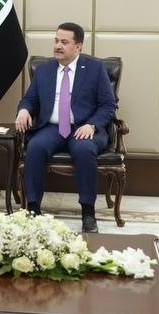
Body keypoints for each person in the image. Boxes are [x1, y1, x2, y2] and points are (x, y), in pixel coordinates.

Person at [15, 22, 116, 233]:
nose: (57, 46)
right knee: (35, 147)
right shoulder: (44, 70)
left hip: (83, 127)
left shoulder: (95, 69)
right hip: (51, 127)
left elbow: (108, 105)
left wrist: (92, 125)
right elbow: (30, 99)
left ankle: (88, 213)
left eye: (64, 42)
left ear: (78, 46)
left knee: (84, 150)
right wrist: (24, 110)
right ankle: (33, 209)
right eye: (56, 41)